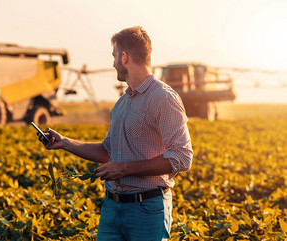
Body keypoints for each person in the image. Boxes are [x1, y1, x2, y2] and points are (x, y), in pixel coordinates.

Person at [36, 26, 193, 241]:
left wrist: (125, 169)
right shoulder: (122, 103)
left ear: (124, 56)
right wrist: (64, 142)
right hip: (112, 207)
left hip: (146, 208)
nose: (113, 63)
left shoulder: (163, 98)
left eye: (114, 56)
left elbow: (182, 157)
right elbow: (107, 151)